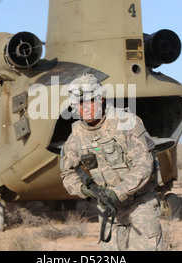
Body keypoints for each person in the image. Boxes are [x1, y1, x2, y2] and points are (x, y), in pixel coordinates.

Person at [59, 73, 163, 251]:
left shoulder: (126, 123)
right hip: (108, 209)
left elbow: (144, 165)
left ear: (101, 99)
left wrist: (117, 193)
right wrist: (84, 190)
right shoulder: (75, 137)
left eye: (91, 100)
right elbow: (67, 174)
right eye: (80, 103)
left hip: (140, 204)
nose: (86, 107)